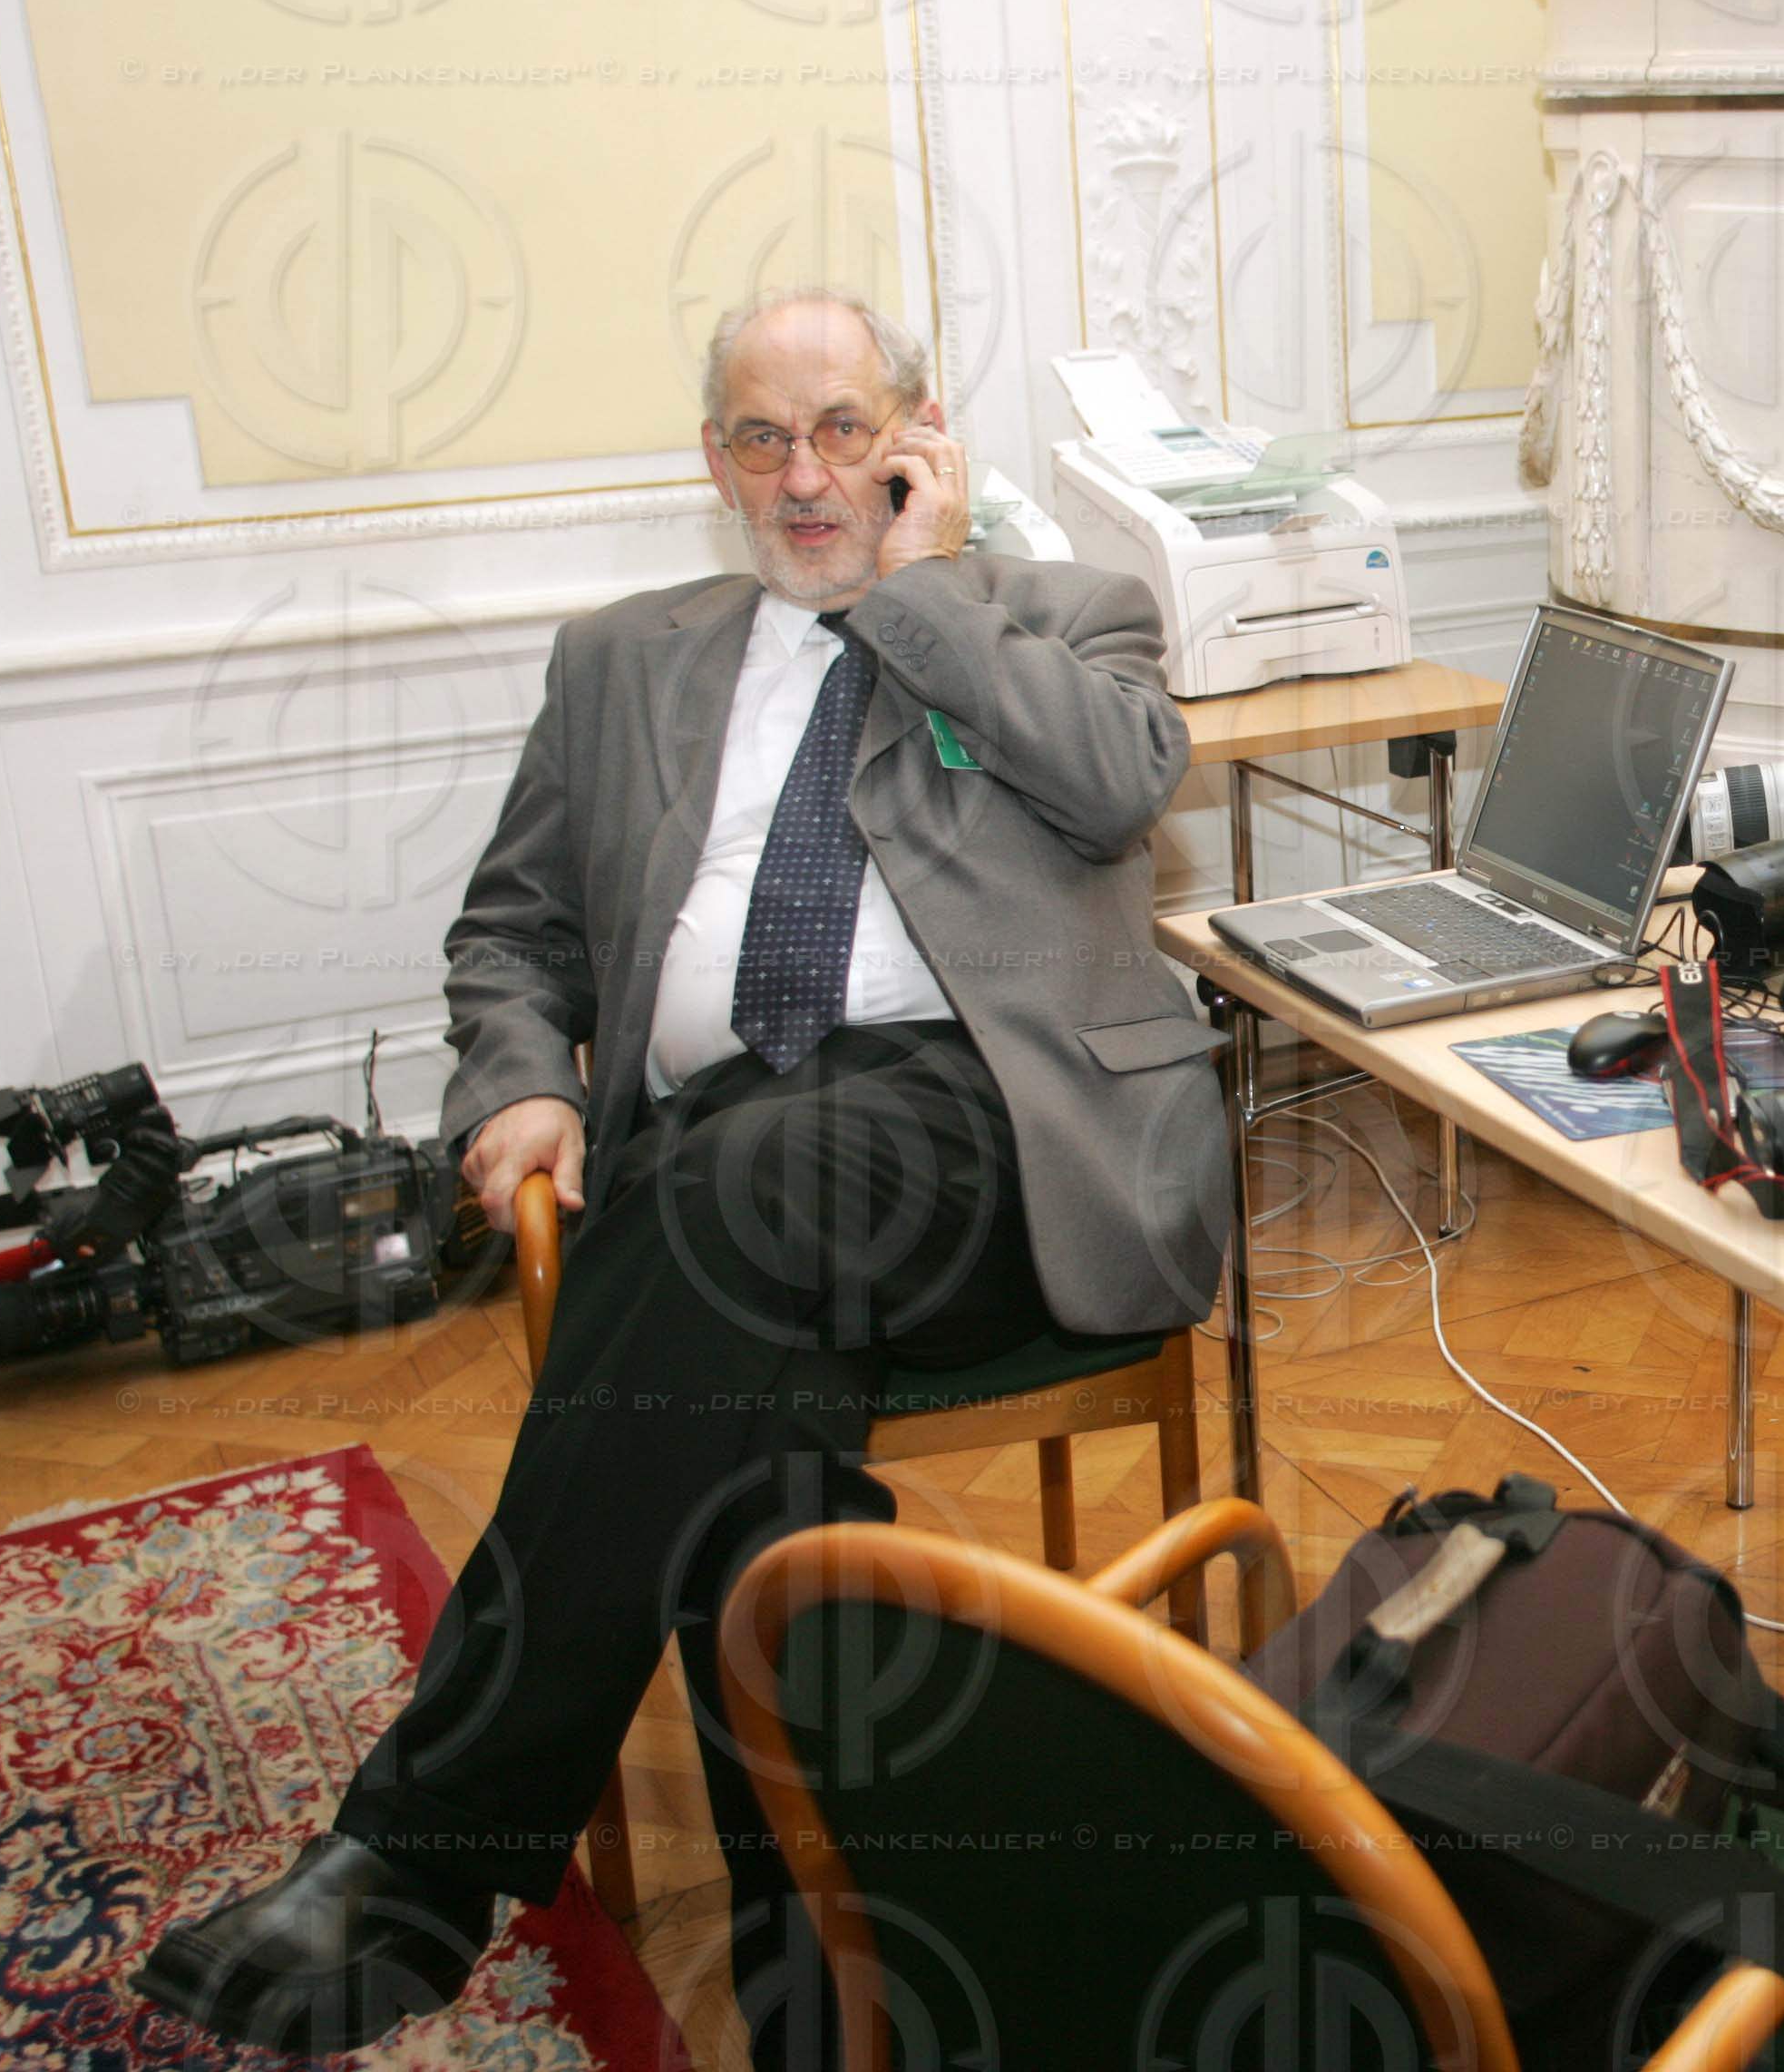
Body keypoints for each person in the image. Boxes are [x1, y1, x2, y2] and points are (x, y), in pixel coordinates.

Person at [135, 290, 1231, 2063]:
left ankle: (419, 1849)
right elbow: (513, 932)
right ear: (709, 458)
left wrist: (919, 591)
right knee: (740, 1358)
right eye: (759, 438)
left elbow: (1114, 794)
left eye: (843, 431)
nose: (805, 477)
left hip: (999, 1145)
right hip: (729, 1186)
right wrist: (516, 1087)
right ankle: (828, 1937)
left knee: (748, 1190)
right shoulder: (624, 658)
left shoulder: (1059, 614)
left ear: (917, 432)